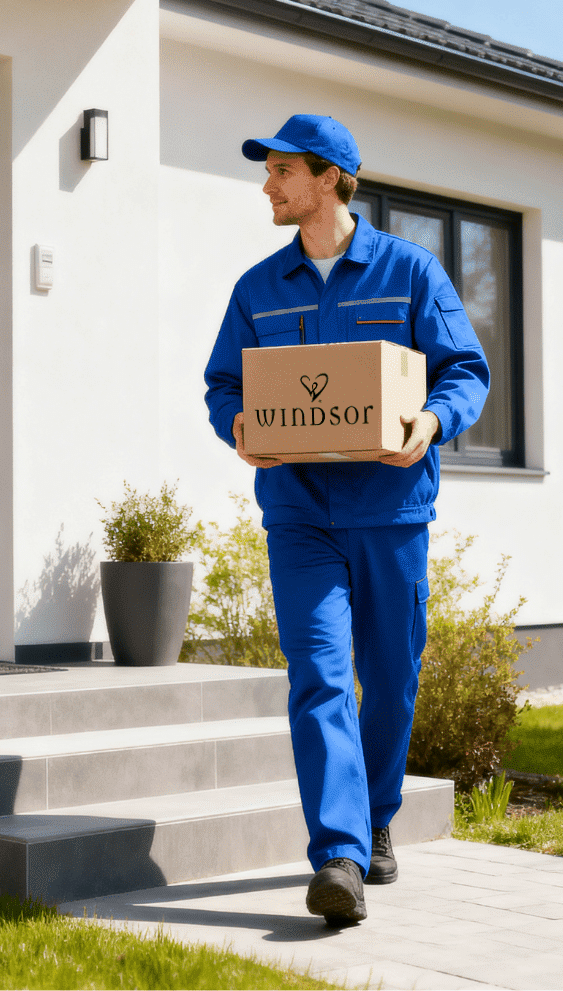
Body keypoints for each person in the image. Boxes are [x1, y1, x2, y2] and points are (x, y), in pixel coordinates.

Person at [203, 114, 489, 927]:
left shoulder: (409, 272)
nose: (268, 185)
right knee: (320, 674)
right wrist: (240, 428)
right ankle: (339, 854)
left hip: (392, 509)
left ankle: (377, 812)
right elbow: (225, 384)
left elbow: (465, 367)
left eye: (281, 171)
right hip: (299, 514)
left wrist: (431, 423)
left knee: (392, 678)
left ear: (327, 177)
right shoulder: (258, 288)